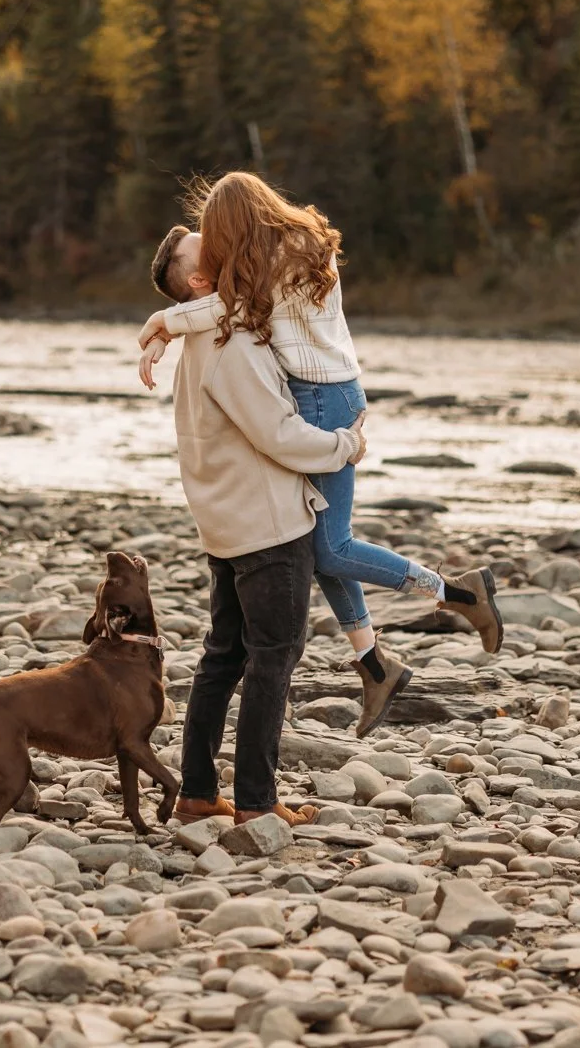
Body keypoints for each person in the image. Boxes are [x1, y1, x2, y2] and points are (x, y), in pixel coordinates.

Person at [139, 174, 502, 738]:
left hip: (323, 399)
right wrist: (168, 328)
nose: (214, 245)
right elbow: (226, 306)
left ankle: (456, 592)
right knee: (319, 542)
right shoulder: (290, 244)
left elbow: (229, 307)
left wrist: (164, 324)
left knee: (328, 548)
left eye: (216, 232)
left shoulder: (282, 260)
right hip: (326, 392)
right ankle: (375, 664)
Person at [150, 224, 367, 827]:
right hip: (268, 527)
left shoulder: (203, 337)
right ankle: (255, 802)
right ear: (198, 280)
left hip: (225, 524)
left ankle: (197, 793)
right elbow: (278, 434)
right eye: (208, 247)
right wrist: (343, 446)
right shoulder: (230, 343)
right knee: (272, 659)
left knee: (222, 657)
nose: (224, 244)